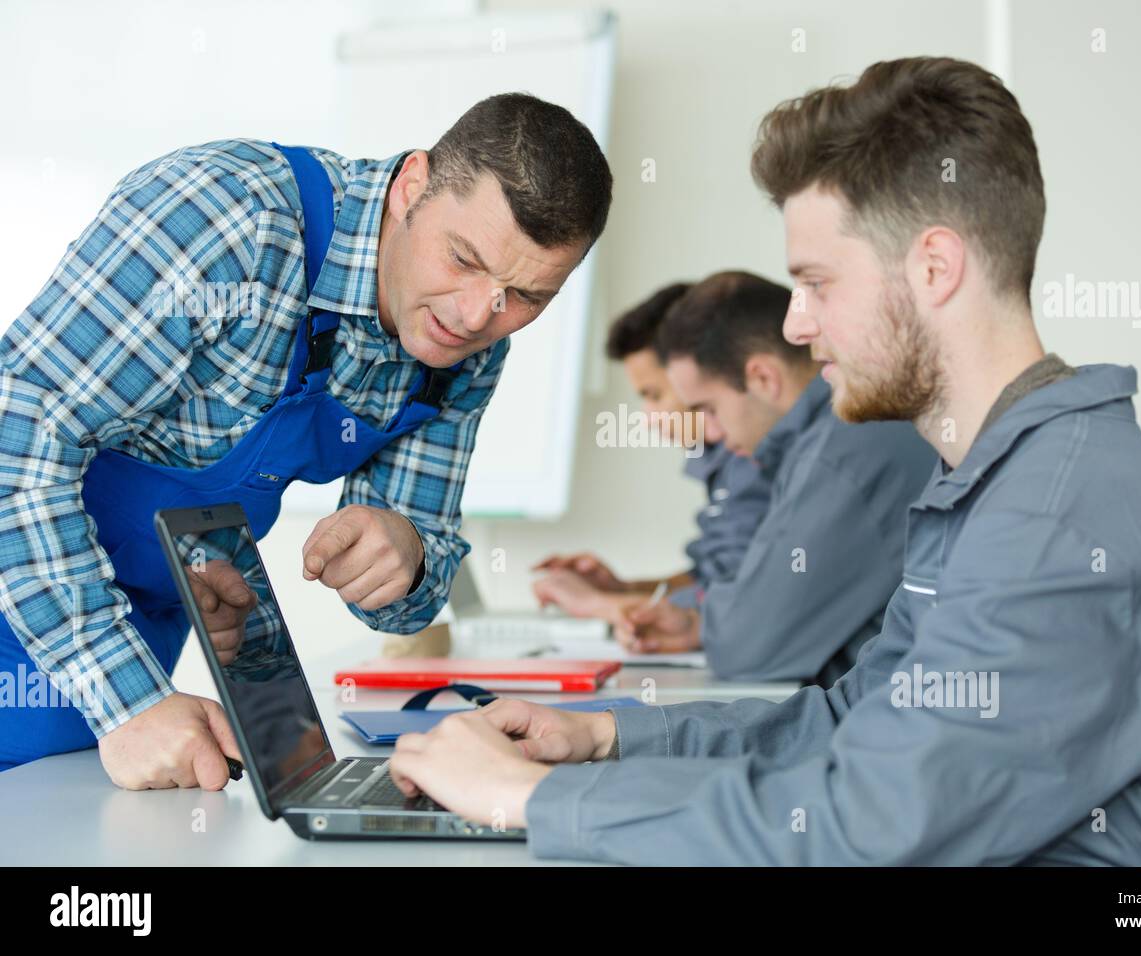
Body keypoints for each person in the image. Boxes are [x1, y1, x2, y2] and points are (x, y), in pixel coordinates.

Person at [386, 57, 1141, 866]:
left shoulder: (1054, 519)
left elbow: (862, 827)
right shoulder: (998, 480)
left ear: (933, 269)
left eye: (818, 282)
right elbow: (852, 723)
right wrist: (607, 740)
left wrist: (530, 798)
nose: (798, 324)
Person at [0, 93, 613, 787]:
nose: (477, 315)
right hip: (46, 612)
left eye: (526, 296)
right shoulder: (224, 220)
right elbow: (16, 431)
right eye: (463, 258)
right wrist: (128, 703)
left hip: (126, 647)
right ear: (412, 185)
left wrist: (406, 554)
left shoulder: (464, 345)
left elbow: (409, 595)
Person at [609, 271, 932, 684]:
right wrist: (696, 622)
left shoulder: (840, 451)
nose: (711, 433)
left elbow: (750, 645)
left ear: (763, 378)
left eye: (708, 408)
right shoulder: (821, 441)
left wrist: (708, 620)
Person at [532, 282, 773, 629]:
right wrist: (625, 589)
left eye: (654, 394)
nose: (648, 418)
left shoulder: (753, 460)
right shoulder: (725, 461)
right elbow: (713, 577)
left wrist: (601, 604)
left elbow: (739, 600)